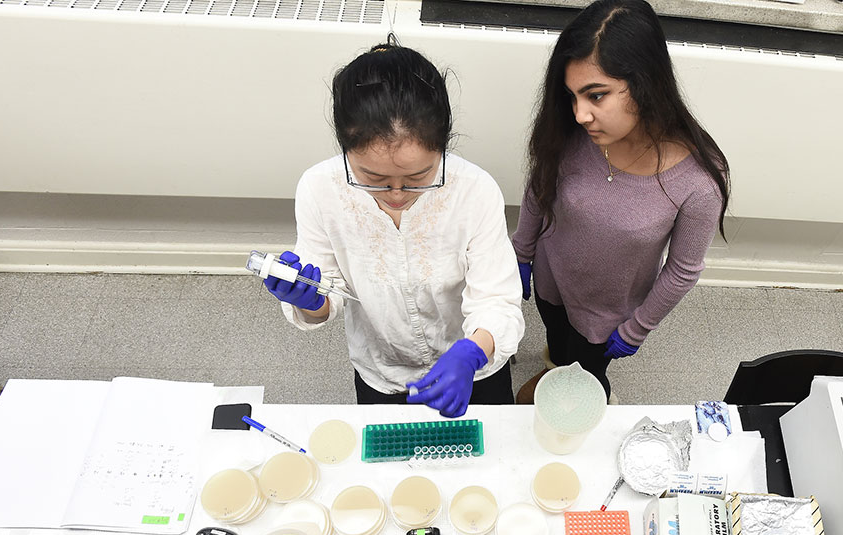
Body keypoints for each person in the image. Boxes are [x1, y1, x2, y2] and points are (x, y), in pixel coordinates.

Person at [265, 39, 524, 418]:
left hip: (472, 362)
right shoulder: (320, 189)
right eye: (373, 178)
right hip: (382, 370)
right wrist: (311, 299)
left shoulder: (474, 190)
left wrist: (471, 353)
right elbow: (329, 292)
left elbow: (497, 300)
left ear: (443, 146)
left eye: (419, 177)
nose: (398, 195)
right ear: (344, 149)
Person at [512, 0, 730, 400]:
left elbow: (682, 270)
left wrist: (638, 327)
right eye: (572, 96)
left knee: (586, 374)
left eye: (596, 96)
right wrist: (522, 253)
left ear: (646, 82)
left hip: (606, 314)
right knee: (558, 343)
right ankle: (554, 363)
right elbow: (538, 187)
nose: (580, 114)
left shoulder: (698, 181)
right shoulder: (571, 133)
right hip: (551, 280)